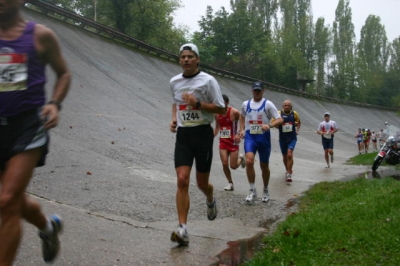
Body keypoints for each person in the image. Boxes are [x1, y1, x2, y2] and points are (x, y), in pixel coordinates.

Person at [0, 1, 71, 265]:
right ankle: (48, 226)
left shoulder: (40, 35)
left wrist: (54, 103)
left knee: (7, 201)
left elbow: (63, 74)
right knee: (14, 200)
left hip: (28, 126)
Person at [169, 43, 225, 245]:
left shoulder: (208, 81)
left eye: (190, 56)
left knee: (202, 183)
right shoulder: (174, 81)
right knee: (182, 180)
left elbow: (221, 108)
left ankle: (210, 198)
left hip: (203, 134)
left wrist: (198, 104)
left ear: (198, 59)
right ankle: (182, 228)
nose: (186, 59)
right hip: (184, 135)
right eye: (182, 56)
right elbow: (175, 102)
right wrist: (174, 118)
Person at [238, 81, 283, 204]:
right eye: (255, 90)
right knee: (249, 161)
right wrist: (241, 129)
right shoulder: (245, 104)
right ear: (252, 91)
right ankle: (252, 190)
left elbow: (280, 120)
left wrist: (270, 125)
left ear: (263, 91)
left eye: (259, 90)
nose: (257, 92)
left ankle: (265, 189)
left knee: (264, 166)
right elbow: (241, 116)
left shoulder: (268, 104)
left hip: (263, 138)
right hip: (250, 137)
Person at [213, 94, 245, 191]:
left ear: (227, 103)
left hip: (233, 141)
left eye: (223, 102)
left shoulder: (234, 112)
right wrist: (211, 137)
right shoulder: (216, 114)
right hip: (223, 141)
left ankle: (241, 158)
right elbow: (217, 127)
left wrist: (239, 133)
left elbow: (243, 119)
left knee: (233, 166)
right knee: (224, 163)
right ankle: (230, 183)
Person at [275, 100, 301, 182]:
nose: (286, 106)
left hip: (292, 138)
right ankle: (287, 169)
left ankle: (289, 173)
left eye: (288, 105)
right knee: (285, 156)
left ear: (291, 107)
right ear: (283, 106)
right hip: (282, 138)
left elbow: (299, 122)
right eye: (285, 105)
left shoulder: (294, 114)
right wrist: (278, 125)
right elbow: (273, 123)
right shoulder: (279, 113)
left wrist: (297, 130)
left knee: (289, 154)